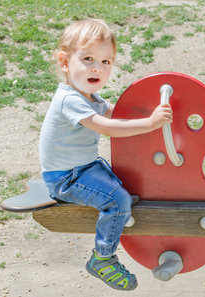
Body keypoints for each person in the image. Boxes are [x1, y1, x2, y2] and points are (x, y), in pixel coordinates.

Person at [39, 19, 173, 291]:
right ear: (65, 63)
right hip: (66, 179)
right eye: (88, 59)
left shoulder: (91, 98)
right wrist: (150, 123)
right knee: (118, 199)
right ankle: (102, 258)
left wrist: (150, 112)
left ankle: (117, 208)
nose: (97, 68)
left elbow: (119, 113)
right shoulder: (71, 100)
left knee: (123, 185)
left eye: (106, 62)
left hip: (84, 169)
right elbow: (107, 127)